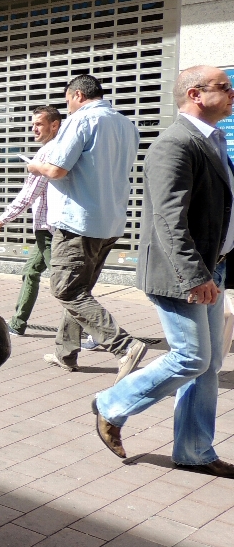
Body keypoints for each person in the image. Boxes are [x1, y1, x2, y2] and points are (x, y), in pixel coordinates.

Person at [92, 66, 234, 477]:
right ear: (195, 93)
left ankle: (193, 451)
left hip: (212, 269)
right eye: (224, 88)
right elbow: (169, 220)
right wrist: (194, 275)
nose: (232, 94)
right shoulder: (175, 144)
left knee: (207, 365)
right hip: (183, 274)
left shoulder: (213, 139)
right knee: (191, 357)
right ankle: (110, 404)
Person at [27, 74, 146, 382]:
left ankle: (124, 346)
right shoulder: (126, 124)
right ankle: (66, 352)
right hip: (111, 220)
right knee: (80, 290)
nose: (67, 108)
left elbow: (56, 169)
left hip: (78, 221)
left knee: (65, 289)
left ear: (78, 95)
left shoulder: (80, 121)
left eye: (67, 101)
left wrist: (34, 165)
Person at [0, 105, 62, 336]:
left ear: (54, 125)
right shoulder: (60, 148)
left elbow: (29, 193)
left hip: (51, 230)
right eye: (33, 124)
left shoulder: (47, 152)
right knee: (31, 271)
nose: (34, 129)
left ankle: (95, 331)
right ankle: (18, 323)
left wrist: (3, 218)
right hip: (46, 229)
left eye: (39, 124)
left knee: (65, 287)